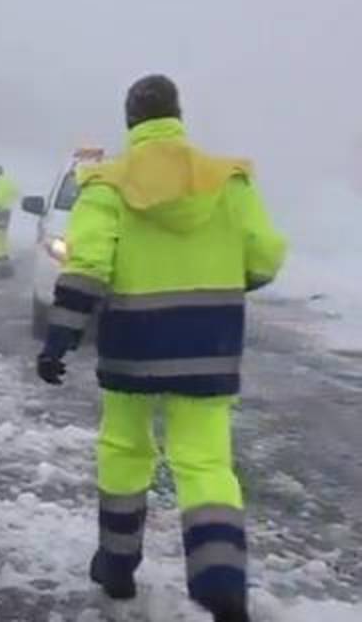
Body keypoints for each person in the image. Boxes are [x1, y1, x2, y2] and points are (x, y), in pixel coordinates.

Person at [36, 75, 286, 622]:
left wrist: (60, 338)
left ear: (131, 120)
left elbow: (88, 266)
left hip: (132, 348)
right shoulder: (227, 180)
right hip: (209, 345)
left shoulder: (106, 183)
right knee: (205, 462)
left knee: (124, 452)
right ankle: (220, 579)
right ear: (178, 115)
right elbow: (265, 256)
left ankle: (118, 568)